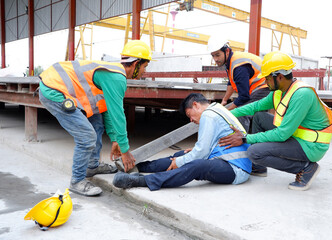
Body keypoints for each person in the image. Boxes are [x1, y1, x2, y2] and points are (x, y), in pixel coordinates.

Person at [39, 40, 152, 196]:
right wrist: (125, 150)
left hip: (59, 86)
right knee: (86, 136)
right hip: (54, 90)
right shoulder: (116, 77)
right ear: (136, 64)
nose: (144, 72)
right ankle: (77, 181)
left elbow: (106, 109)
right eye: (145, 67)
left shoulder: (112, 73)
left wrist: (114, 139)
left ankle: (92, 166)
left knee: (97, 123)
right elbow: (118, 115)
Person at [218, 51, 332, 191]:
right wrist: (226, 113)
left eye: (267, 78)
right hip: (297, 135)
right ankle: (259, 167)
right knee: (259, 117)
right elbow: (255, 106)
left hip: (311, 145)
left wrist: (245, 138)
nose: (265, 82)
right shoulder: (279, 91)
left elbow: (282, 134)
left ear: (279, 77)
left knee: (254, 152)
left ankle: (306, 168)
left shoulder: (301, 95)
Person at [112, 93, 252, 191]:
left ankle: (143, 181)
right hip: (222, 158)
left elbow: (202, 152)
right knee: (182, 153)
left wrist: (178, 162)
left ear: (196, 105)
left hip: (235, 168)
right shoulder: (216, 109)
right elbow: (208, 146)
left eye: (189, 115)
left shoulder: (209, 115)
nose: (191, 120)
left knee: (197, 165)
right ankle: (137, 167)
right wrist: (182, 158)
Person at [207, 36, 271, 131]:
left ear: (227, 51)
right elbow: (231, 82)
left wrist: (227, 112)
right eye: (213, 56)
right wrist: (224, 100)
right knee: (242, 110)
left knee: (240, 113)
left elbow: (244, 97)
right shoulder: (231, 61)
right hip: (257, 88)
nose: (215, 59)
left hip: (264, 88)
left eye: (217, 55)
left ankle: (242, 141)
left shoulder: (238, 67)